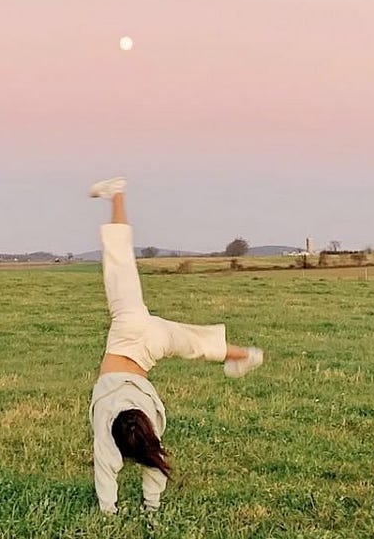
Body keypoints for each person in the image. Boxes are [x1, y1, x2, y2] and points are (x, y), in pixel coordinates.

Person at [88, 177, 263, 515]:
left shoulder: (150, 422)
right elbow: (115, 467)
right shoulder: (117, 423)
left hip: (150, 345)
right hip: (130, 328)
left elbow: (110, 468)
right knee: (119, 263)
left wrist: (111, 513)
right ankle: (117, 193)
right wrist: (150, 509)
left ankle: (246, 354)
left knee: (193, 342)